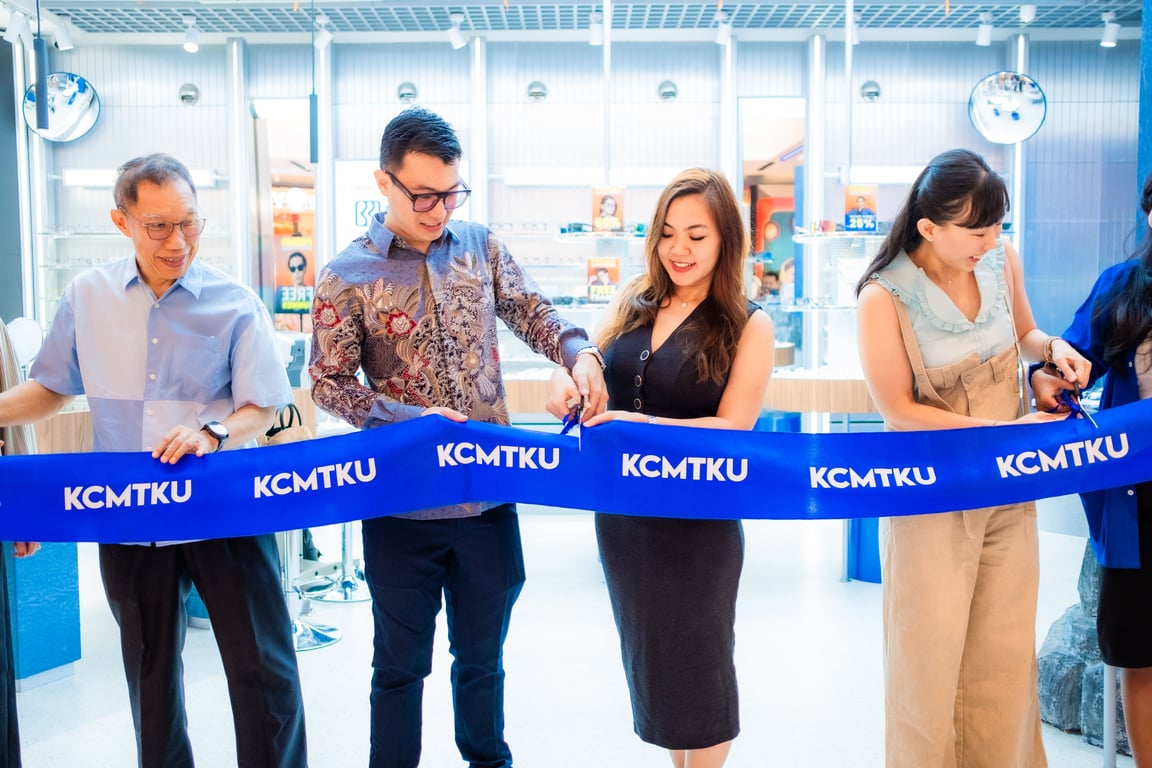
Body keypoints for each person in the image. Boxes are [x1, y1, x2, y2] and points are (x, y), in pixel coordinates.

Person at [308, 106, 608, 768]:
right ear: (383, 182)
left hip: (486, 500)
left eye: (451, 193)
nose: (440, 210)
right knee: (399, 667)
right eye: (423, 195)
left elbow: (534, 313)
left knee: (482, 661)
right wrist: (405, 422)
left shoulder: (479, 246)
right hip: (401, 506)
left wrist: (579, 353)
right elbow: (327, 384)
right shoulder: (345, 275)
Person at [0, 153, 308, 768]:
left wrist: (213, 432)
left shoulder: (235, 302)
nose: (178, 242)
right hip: (129, 516)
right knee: (150, 680)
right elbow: (51, 388)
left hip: (224, 511)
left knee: (264, 671)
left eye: (189, 223)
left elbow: (263, 405)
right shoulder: (87, 296)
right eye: (158, 226)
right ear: (122, 221)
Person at [853, 147, 1091, 768]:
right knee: (926, 663)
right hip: (929, 495)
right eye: (976, 231)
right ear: (929, 228)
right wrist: (1002, 435)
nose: (990, 242)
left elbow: (1024, 334)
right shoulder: (883, 297)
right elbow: (899, 409)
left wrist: (1054, 351)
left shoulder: (1000, 261)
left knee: (1004, 658)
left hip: (1006, 490)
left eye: (997, 227)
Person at [547, 168, 775, 768]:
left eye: (697, 236)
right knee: (655, 668)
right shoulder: (633, 300)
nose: (679, 249)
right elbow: (593, 369)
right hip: (625, 522)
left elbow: (735, 429)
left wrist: (641, 426)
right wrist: (569, 378)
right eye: (668, 233)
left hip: (698, 527)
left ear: (726, 239)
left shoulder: (748, 324)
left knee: (701, 665)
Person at [1031, 171, 1152, 766]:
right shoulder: (1121, 287)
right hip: (1136, 501)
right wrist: (1050, 377)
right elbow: (1070, 362)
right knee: (1139, 651)